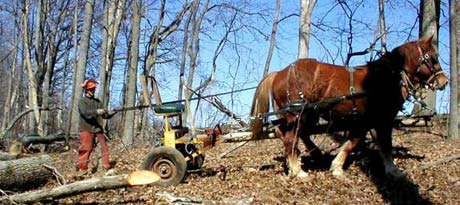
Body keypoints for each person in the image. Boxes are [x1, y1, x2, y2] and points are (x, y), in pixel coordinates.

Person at [76, 78, 114, 173]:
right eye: (90, 89)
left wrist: (111, 113)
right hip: (86, 128)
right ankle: (82, 167)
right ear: (86, 90)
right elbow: (85, 113)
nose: (92, 91)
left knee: (103, 147)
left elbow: (104, 115)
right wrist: (96, 112)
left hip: (98, 129)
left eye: (93, 89)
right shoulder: (82, 101)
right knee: (86, 148)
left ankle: (106, 166)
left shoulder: (98, 102)